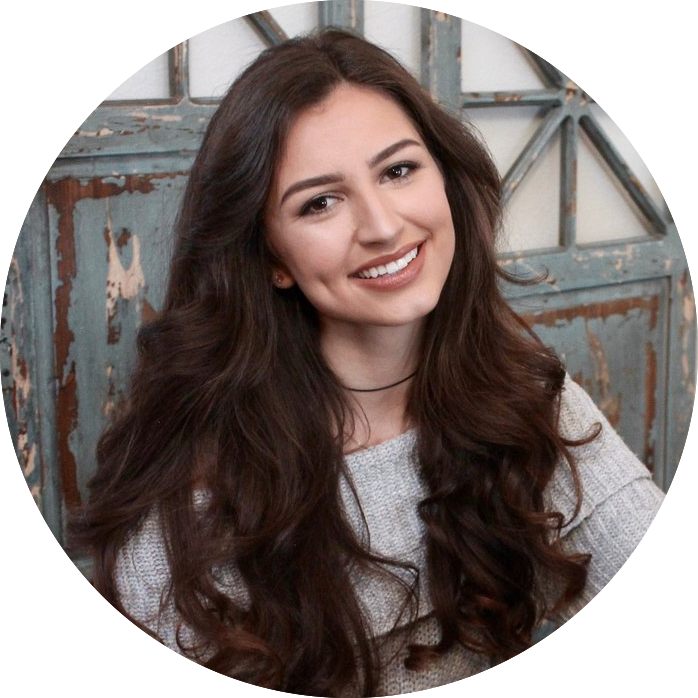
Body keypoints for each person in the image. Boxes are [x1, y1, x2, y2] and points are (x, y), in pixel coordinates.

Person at [70, 27, 665, 696]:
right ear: (270, 258)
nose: (382, 226)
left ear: (446, 178)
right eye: (320, 202)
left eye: (398, 170)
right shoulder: (191, 510)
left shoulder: (524, 395)